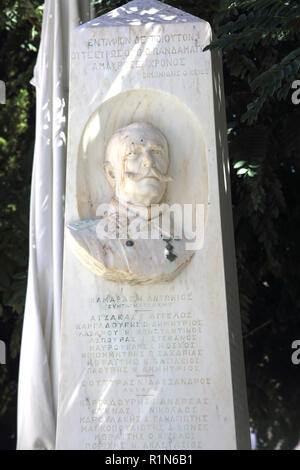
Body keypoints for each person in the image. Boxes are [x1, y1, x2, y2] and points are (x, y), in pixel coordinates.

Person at [67, 122, 194, 284]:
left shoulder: (184, 243)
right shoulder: (86, 238)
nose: (149, 162)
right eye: (133, 153)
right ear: (111, 173)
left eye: (156, 152)